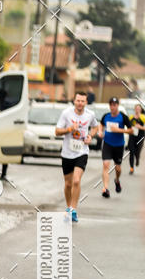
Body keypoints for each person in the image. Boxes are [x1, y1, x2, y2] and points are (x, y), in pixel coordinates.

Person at [54, 90, 98, 223]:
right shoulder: (66, 113)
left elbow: (95, 127)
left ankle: (73, 209)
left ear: (86, 102)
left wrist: (90, 136)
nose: (80, 103)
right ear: (74, 101)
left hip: (82, 152)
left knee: (76, 181)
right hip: (67, 152)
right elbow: (57, 131)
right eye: (78, 100)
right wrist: (69, 129)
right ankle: (69, 207)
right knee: (68, 184)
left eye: (82, 101)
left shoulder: (90, 114)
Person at [98, 97, 130, 197]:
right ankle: (105, 189)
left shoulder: (123, 117)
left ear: (118, 105)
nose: (113, 107)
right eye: (111, 105)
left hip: (119, 145)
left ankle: (117, 180)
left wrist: (119, 130)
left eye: (114, 105)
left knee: (118, 168)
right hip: (107, 144)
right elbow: (101, 125)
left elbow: (132, 130)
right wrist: (100, 132)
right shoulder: (106, 116)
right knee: (106, 165)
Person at [128, 103, 145, 173]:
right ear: (134, 109)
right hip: (132, 136)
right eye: (136, 108)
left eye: (139, 108)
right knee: (131, 151)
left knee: (137, 151)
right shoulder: (131, 117)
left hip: (140, 137)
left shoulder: (143, 117)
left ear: (140, 110)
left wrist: (140, 127)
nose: (137, 110)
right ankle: (131, 168)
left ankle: (137, 158)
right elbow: (128, 126)